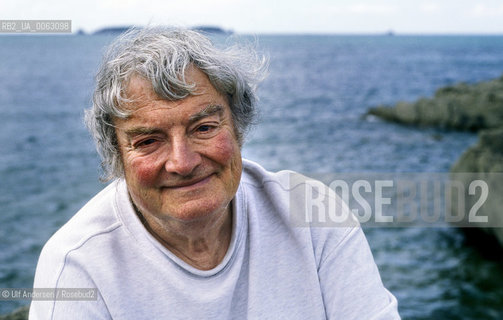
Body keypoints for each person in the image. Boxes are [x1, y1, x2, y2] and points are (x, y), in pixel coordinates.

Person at [29, 27, 400, 319]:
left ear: (238, 128)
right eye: (148, 141)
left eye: (203, 128)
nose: (183, 162)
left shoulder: (312, 213)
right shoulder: (77, 264)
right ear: (117, 158)